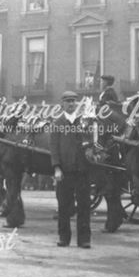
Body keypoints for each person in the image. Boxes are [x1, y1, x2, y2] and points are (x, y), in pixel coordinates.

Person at [49, 90, 93, 248]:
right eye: (68, 101)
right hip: (65, 171)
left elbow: (90, 143)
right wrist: (57, 168)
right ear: (62, 104)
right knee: (64, 206)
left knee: (84, 206)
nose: (71, 104)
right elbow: (54, 148)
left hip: (82, 170)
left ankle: (84, 239)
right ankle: (64, 237)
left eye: (73, 101)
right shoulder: (57, 124)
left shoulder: (84, 123)